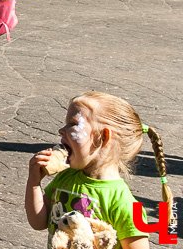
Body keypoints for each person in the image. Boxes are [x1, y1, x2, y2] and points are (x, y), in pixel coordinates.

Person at [25, 92, 170, 249]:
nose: (61, 130)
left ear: (103, 137)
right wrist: (34, 182)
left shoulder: (124, 203)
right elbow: (38, 222)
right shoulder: (65, 177)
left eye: (72, 124)